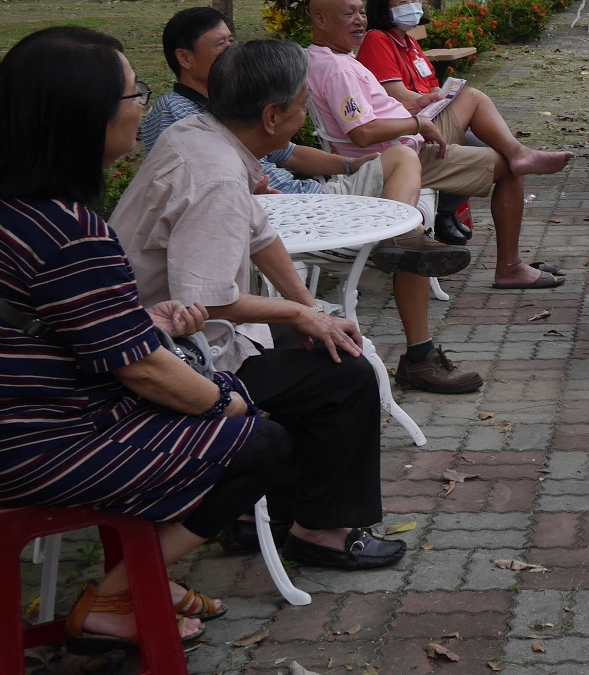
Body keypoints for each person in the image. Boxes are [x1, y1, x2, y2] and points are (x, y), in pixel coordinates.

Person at [0, 27, 280, 651]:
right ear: (86, 120)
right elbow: (144, 373)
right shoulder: (69, 231)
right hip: (34, 448)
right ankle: (119, 592)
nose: (142, 103)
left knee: (208, 406)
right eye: (132, 93)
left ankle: (145, 576)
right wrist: (224, 400)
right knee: (261, 441)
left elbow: (58, 326)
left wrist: (149, 324)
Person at [111, 39, 413, 566]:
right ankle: (323, 532)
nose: (307, 115)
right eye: (302, 106)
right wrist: (300, 314)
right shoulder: (217, 180)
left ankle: (260, 512)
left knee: (317, 346)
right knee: (347, 374)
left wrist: (311, 310)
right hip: (170, 362)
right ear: (273, 116)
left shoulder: (201, 134)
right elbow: (206, 300)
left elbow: (260, 232)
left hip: (153, 341)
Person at [306, 0, 572, 300]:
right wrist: (418, 121)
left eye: (361, 12)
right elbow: (362, 133)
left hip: (407, 136)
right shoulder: (338, 69)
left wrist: (417, 108)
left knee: (471, 97)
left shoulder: (334, 56)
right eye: (348, 14)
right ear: (320, 20)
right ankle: (510, 266)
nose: (359, 20)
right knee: (507, 169)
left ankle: (519, 152)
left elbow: (371, 112)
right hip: (397, 156)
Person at [142, 7, 429, 202]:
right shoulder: (173, 114)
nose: (232, 52)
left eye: (232, 41)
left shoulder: (228, 101)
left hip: (306, 192)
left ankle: (402, 240)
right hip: (287, 208)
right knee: (404, 161)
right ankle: (402, 240)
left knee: (401, 158)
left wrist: (350, 165)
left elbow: (287, 153)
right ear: (185, 58)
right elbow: (193, 185)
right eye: (220, 45)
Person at [357, 0, 563, 245]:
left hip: (426, 119)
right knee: (473, 98)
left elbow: (429, 83)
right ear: (384, 9)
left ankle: (451, 207)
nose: (412, 6)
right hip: (409, 129)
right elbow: (396, 96)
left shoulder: (408, 41)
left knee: (499, 151)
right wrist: (431, 99)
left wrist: (439, 96)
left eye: (414, 0)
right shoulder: (378, 40)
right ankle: (514, 158)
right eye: (402, 3)